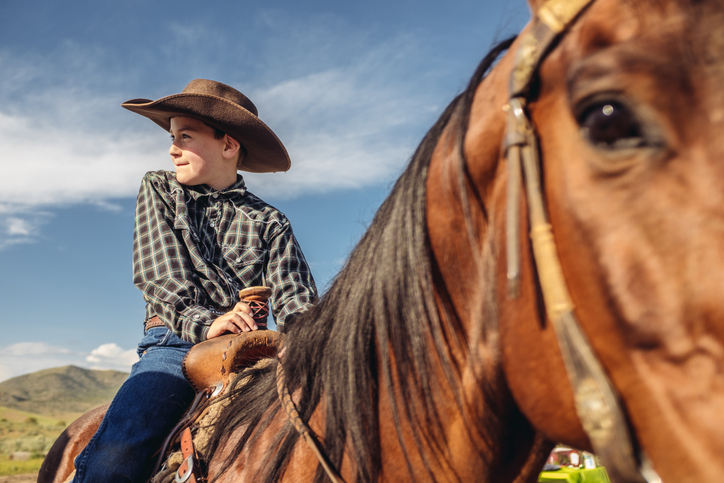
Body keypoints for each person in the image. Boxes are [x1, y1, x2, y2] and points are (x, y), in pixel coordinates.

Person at [71, 79, 317, 482]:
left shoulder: (271, 222)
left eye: (185, 136)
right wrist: (208, 323)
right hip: (174, 344)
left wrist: (303, 342)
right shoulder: (161, 189)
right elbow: (160, 277)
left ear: (228, 145)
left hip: (249, 348)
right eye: (172, 137)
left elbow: (294, 296)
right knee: (121, 446)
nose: (172, 149)